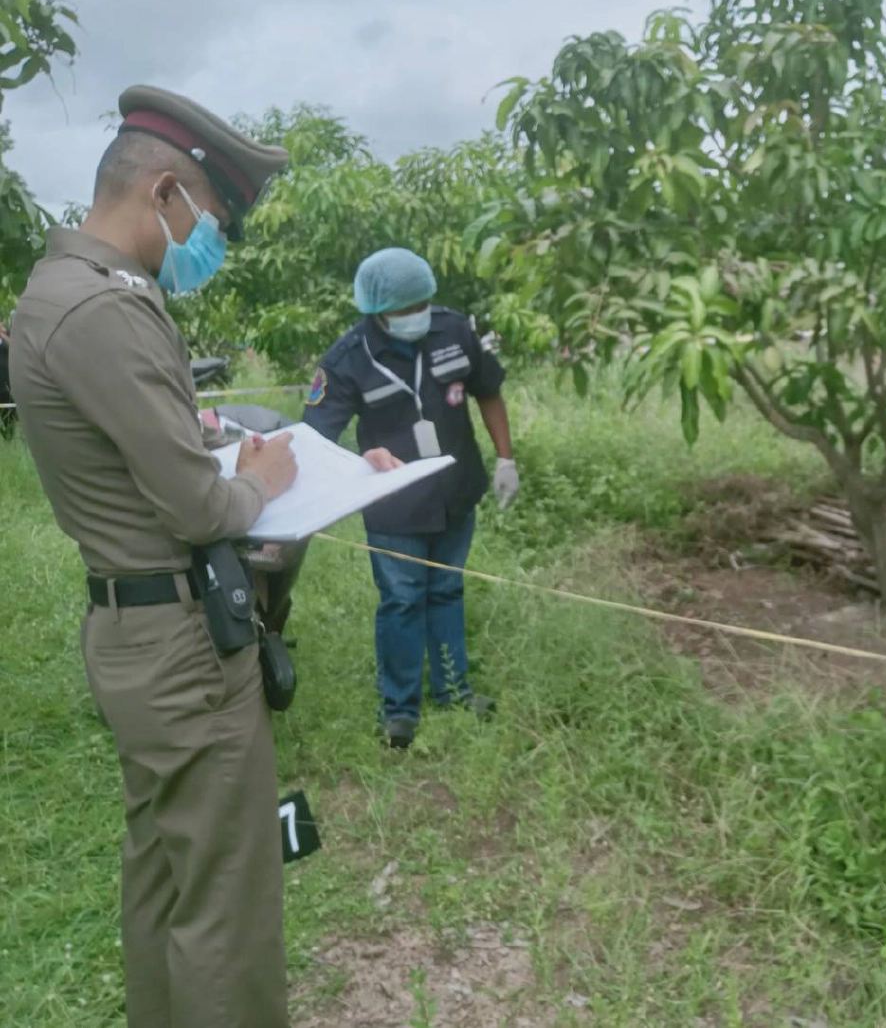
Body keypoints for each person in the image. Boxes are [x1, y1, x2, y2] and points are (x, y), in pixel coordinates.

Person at [8, 86, 297, 1027]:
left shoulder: (67, 294)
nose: (211, 244)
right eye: (213, 221)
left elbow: (147, 458)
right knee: (225, 904)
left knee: (167, 875)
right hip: (182, 645)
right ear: (166, 193)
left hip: (140, 632)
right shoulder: (106, 312)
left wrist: (211, 449)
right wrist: (267, 479)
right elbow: (200, 505)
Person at [303, 247, 518, 750]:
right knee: (401, 601)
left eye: (422, 303)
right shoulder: (347, 360)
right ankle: (399, 709)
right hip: (395, 505)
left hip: (454, 493)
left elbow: (488, 390)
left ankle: (453, 689)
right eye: (404, 309)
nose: (416, 316)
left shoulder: (452, 331)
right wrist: (364, 460)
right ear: (376, 310)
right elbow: (315, 440)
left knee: (446, 592)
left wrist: (506, 458)